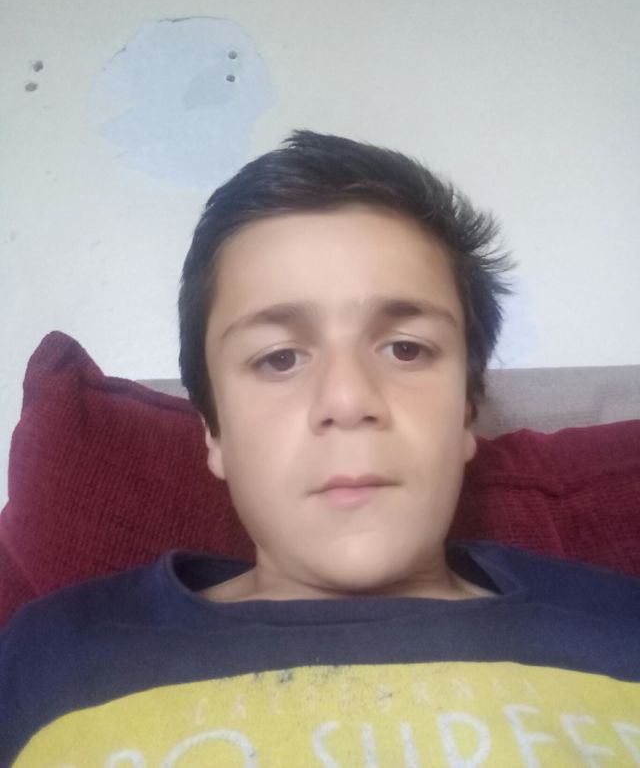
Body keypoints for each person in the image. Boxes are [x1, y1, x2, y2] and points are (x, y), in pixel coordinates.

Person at [1, 131, 639, 766]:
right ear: (214, 431)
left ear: (466, 410)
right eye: (279, 358)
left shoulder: (619, 624)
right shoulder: (50, 653)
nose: (348, 398)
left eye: (406, 349)